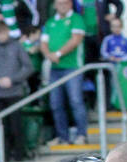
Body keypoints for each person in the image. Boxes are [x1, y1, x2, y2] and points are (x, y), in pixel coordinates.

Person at [40, 0, 88, 145]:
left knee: (75, 100)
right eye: (60, 3)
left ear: (71, 4)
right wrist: (49, 55)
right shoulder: (49, 22)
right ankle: (62, 137)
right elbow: (43, 43)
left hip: (73, 67)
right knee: (55, 103)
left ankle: (81, 135)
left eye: (66, 2)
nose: (63, 5)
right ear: (54, 4)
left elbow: (75, 40)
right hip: (55, 69)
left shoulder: (77, 19)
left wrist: (58, 54)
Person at [0, 21, 32, 161]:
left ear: (7, 31)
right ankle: (4, 156)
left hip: (15, 92)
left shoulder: (17, 46)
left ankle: (19, 156)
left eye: (2, 32)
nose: (0, 36)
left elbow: (28, 67)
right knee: (2, 128)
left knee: (16, 126)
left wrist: (13, 79)